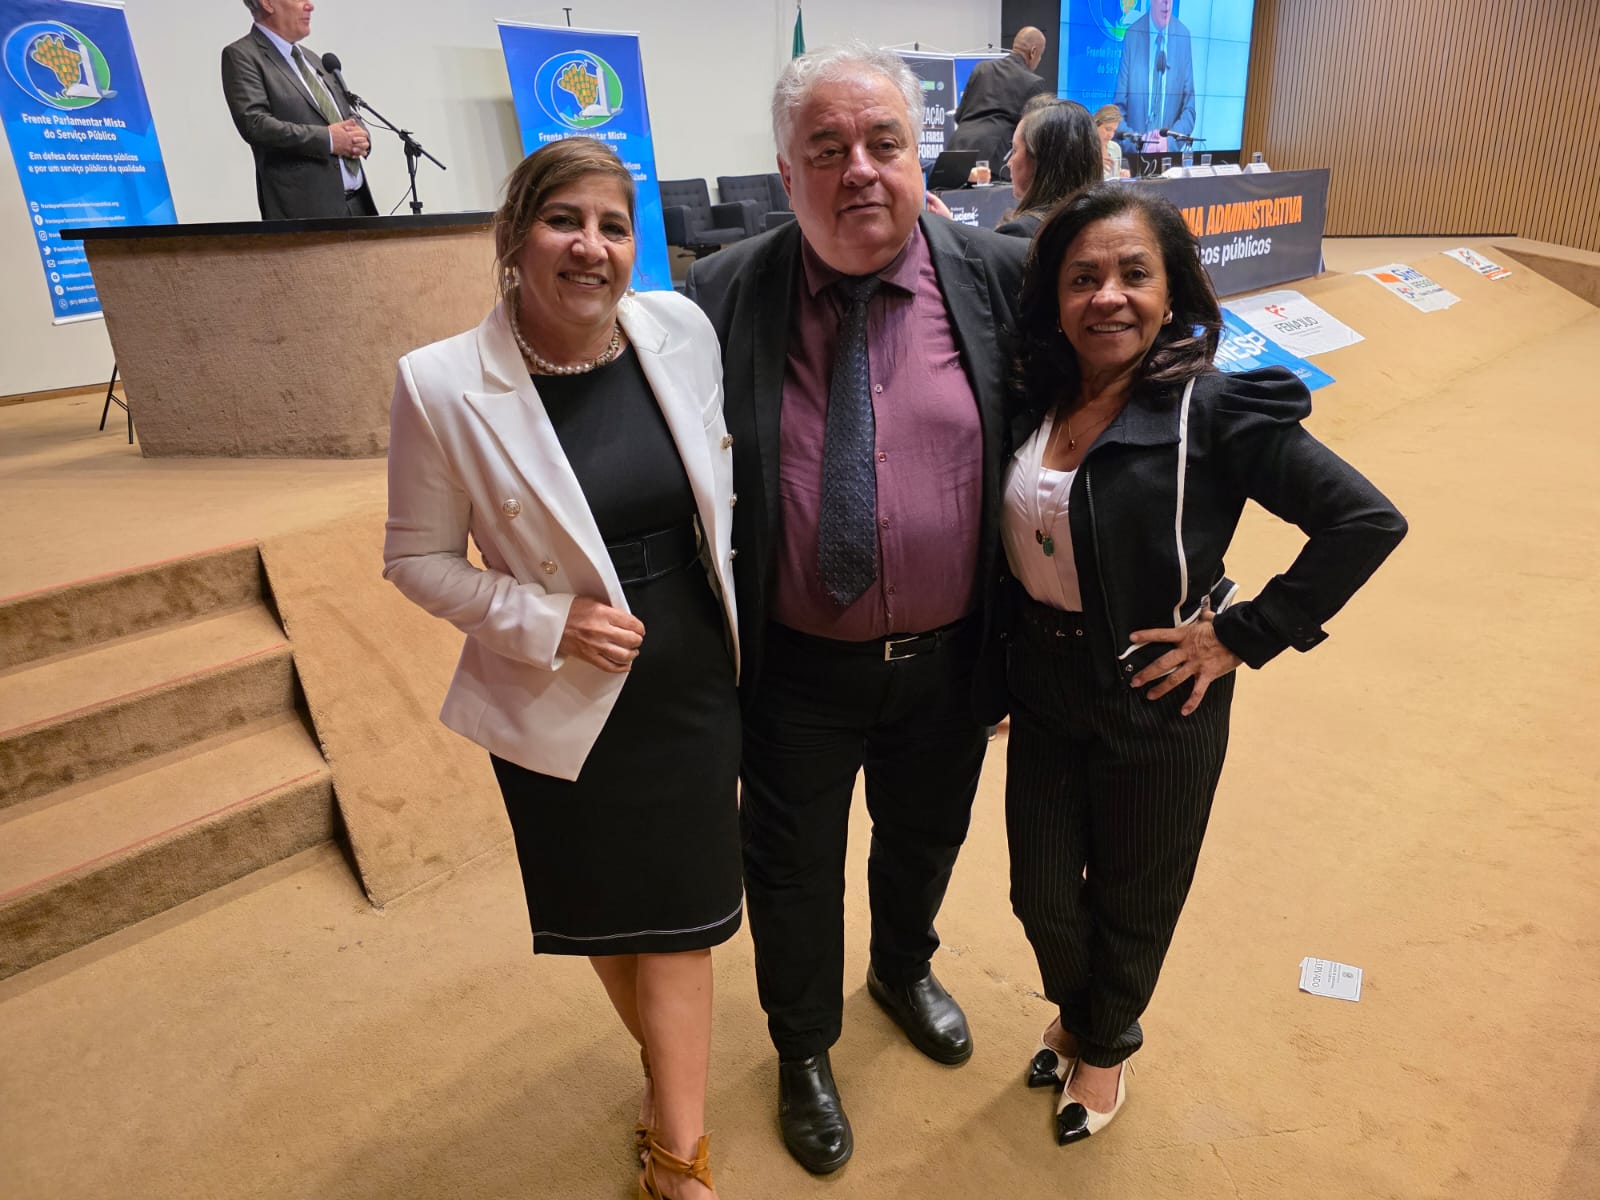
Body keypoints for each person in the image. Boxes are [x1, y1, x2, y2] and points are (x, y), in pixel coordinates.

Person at [1000, 184, 1406, 1145]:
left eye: (1133, 275)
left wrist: (1241, 635)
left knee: (1135, 892)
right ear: (1054, 297)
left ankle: (1102, 1044)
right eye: (1083, 278)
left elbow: (1364, 520)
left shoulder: (1212, 408)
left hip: (1159, 693)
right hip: (1044, 685)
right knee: (1041, 893)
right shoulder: (1034, 398)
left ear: (1172, 290)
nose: (1108, 297)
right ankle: (1083, 1012)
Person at [685, 45, 1027, 1176]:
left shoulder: (996, 278)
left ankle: (900, 967)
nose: (860, 170)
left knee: (926, 836)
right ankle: (803, 1047)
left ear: (921, 156)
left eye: (884, 143)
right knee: (790, 870)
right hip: (795, 666)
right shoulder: (722, 296)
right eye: (826, 151)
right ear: (786, 175)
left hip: (950, 654)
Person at [383, 138, 741, 1200]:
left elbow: (723, 493)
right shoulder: (441, 384)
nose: (592, 246)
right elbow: (414, 560)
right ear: (513, 236)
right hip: (556, 681)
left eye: (613, 226)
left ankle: (679, 1156)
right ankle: (665, 1080)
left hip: (686, 666)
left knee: (680, 919)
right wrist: (546, 618)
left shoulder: (678, 330)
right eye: (564, 220)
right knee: (605, 914)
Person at [221, 0, 377, 219]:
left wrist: (360, 135)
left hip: (359, 207)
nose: (310, 5)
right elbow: (255, 124)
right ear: (268, 4)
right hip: (307, 215)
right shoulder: (243, 55)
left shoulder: (313, 59)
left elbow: (345, 112)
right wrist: (328, 140)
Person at [996, 100, 1102, 240]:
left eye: (1015, 150)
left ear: (1040, 160)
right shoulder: (1106, 224)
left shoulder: (1020, 233)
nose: (1009, 163)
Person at [949, 27, 1052, 168]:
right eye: (1040, 55)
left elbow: (959, 115)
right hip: (994, 158)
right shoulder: (1033, 83)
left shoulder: (982, 68)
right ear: (1033, 52)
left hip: (957, 148)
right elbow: (1031, 135)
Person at [1112, 0, 1196, 157]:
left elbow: (1189, 111)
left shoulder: (1183, 36)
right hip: (1136, 159)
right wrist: (1140, 143)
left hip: (1169, 160)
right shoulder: (1133, 34)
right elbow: (1117, 111)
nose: (1167, 3)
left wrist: (1169, 143)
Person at [1093, 104, 1126, 180]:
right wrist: (1094, 167)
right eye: (1108, 129)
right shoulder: (1082, 147)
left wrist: (1121, 173)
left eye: (1114, 131)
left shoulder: (1115, 148)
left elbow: (1114, 178)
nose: (1111, 135)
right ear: (1095, 125)